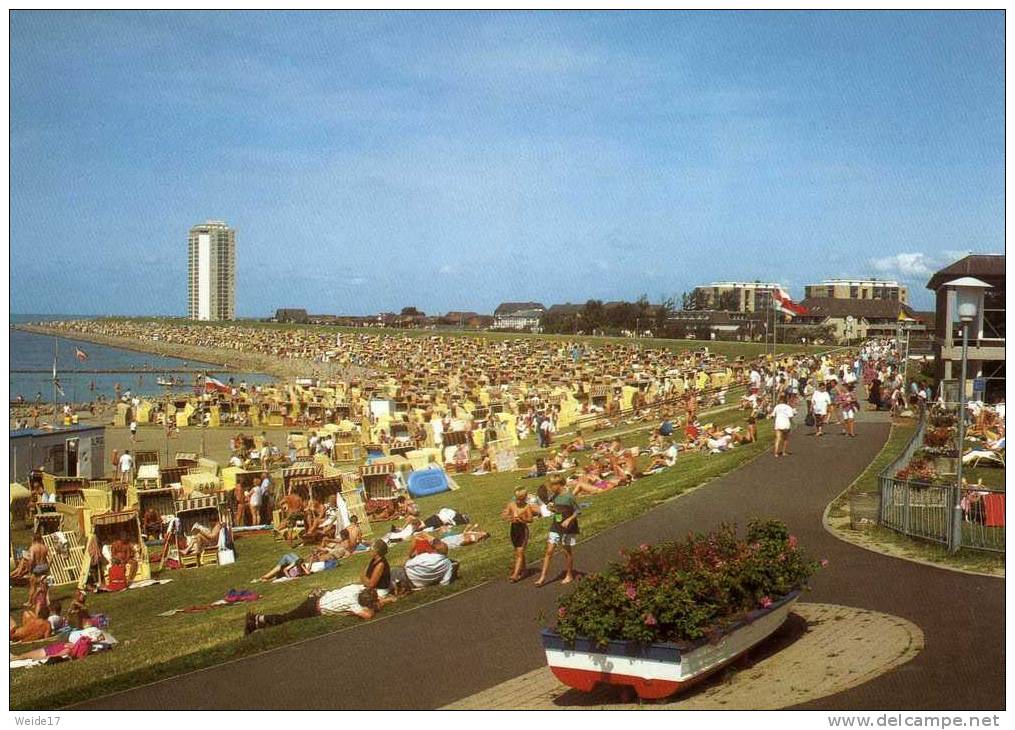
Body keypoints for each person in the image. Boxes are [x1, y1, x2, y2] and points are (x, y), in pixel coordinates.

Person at [246, 585, 382, 634]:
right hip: (314, 608)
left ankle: (257, 623)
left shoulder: (355, 588)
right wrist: (378, 605)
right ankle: (257, 619)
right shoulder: (353, 604)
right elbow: (368, 615)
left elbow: (365, 587)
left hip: (316, 601)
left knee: (288, 617)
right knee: (287, 617)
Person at [534, 478, 579, 587]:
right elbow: (556, 510)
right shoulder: (554, 496)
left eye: (552, 486)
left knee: (566, 551)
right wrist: (552, 509)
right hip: (556, 525)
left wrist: (569, 520)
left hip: (569, 527)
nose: (550, 488)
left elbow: (577, 510)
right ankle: (542, 577)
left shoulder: (569, 497)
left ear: (559, 485)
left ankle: (569, 574)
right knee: (549, 551)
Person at [502, 487, 535, 582]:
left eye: (520, 499)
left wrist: (522, 519)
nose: (518, 501)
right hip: (514, 529)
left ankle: (515, 575)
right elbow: (504, 515)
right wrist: (509, 517)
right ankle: (524, 570)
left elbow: (531, 519)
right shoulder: (511, 505)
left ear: (524, 498)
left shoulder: (527, 507)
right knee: (518, 551)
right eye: (516, 498)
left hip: (522, 530)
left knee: (520, 552)